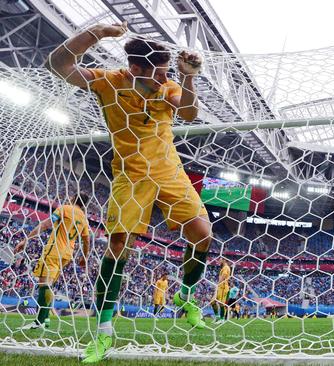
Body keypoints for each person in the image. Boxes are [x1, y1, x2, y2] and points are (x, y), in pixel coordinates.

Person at [47, 21, 212, 363]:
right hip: (130, 174)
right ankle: (104, 333)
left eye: (167, 72)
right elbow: (59, 65)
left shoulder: (167, 87)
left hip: (170, 171)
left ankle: (185, 295)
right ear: (134, 68)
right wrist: (98, 33)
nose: (163, 79)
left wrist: (188, 77)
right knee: (119, 245)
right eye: (158, 73)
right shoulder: (109, 82)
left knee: (202, 234)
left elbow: (190, 112)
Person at [15, 194, 91, 330]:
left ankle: (39, 321)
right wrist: (84, 258)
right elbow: (87, 240)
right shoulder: (83, 218)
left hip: (54, 250)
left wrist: (26, 240)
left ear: (73, 199)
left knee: (44, 285)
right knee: (48, 285)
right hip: (67, 255)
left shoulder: (65, 209)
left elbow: (46, 224)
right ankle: (46, 318)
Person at [210, 258, 231, 322]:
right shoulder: (223, 267)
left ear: (224, 260)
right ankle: (217, 317)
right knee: (212, 302)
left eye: (220, 260)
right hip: (220, 287)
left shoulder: (226, 267)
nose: (219, 261)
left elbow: (223, 276)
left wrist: (218, 284)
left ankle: (222, 319)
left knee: (221, 303)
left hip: (223, 287)